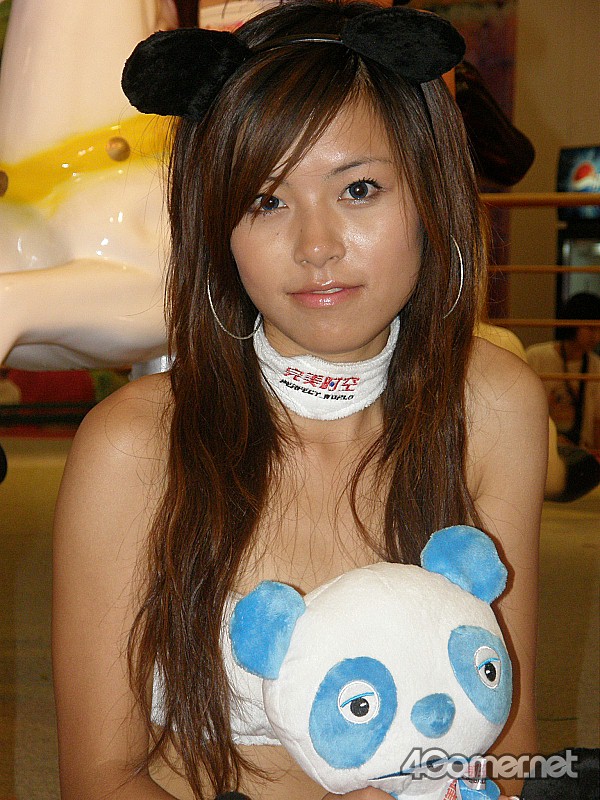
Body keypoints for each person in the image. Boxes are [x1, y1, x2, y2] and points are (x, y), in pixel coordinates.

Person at [52, 2, 548, 799]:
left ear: (428, 191)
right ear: (217, 227)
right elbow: (101, 777)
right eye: (266, 200)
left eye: (359, 188)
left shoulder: (492, 405)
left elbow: (508, 740)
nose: (317, 246)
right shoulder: (136, 442)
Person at [526, 292, 600, 453]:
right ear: (573, 322)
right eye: (591, 328)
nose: (596, 336)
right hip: (541, 447)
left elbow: (597, 422)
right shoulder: (536, 357)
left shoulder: (595, 366)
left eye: (599, 329)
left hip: (581, 451)